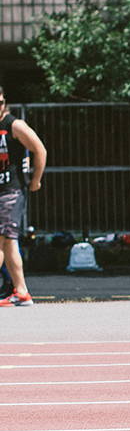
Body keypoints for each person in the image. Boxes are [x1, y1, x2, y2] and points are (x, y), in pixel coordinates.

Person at [0, 89, 46, 307]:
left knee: (1, 242)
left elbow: (40, 150)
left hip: (11, 191)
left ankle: (21, 291)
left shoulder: (14, 125)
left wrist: (35, 179)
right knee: (9, 244)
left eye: (0, 102)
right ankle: (21, 291)